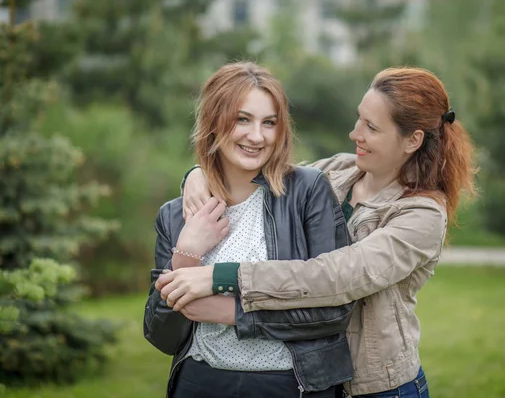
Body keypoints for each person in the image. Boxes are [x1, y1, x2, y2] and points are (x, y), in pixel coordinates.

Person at [157, 66, 476, 397]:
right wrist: (196, 174)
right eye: (358, 119)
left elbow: (334, 275)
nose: (355, 134)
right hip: (319, 378)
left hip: (378, 387)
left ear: (412, 140)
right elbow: (256, 168)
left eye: (371, 127)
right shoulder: (337, 170)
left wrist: (222, 277)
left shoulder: (421, 215)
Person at [143, 62, 356, 398]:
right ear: (214, 122)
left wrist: (236, 314)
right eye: (243, 119)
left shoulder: (306, 192)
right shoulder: (175, 214)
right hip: (201, 383)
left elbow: (334, 309)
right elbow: (161, 335)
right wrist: (186, 255)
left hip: (292, 385)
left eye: (269, 123)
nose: (257, 137)